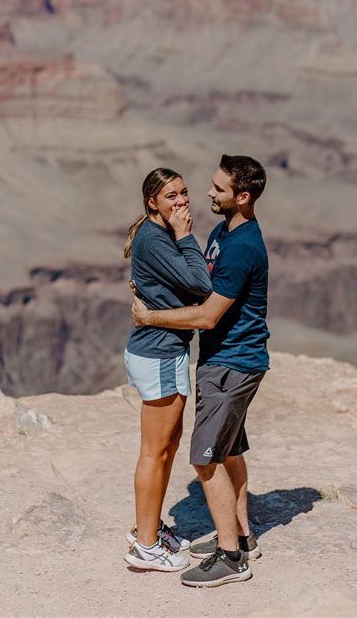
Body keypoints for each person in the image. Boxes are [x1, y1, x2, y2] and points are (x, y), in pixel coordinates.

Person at [132, 154, 269, 588]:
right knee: (228, 450)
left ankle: (231, 558)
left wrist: (150, 316)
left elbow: (208, 314)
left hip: (231, 362)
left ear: (241, 196)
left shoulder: (243, 246)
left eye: (217, 188)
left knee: (204, 460)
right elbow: (193, 277)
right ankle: (243, 538)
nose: (206, 194)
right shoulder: (222, 231)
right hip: (225, 361)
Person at [123, 168, 212, 573]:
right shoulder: (158, 239)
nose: (181, 202)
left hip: (165, 351)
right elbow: (200, 284)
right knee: (154, 451)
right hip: (158, 353)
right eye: (170, 196)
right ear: (152, 203)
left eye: (184, 193)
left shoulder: (155, 236)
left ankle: (151, 528)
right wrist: (185, 236)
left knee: (168, 446)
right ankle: (144, 546)